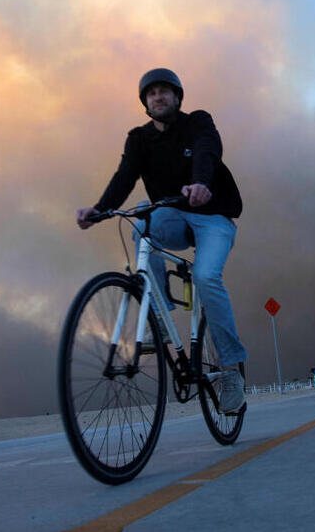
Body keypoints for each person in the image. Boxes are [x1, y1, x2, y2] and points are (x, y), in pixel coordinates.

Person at [76, 68, 248, 415]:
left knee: (205, 277)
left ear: (177, 97)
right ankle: (159, 319)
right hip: (170, 215)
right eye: (151, 92)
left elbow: (207, 150)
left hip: (213, 217)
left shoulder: (198, 122)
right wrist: (99, 210)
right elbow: (124, 176)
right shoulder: (138, 139)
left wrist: (201, 182)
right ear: (145, 102)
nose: (158, 96)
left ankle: (230, 372)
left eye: (165, 91)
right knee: (140, 218)